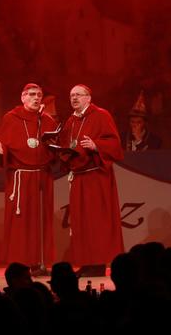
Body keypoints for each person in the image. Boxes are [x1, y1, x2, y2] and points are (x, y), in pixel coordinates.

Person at [0, 83, 57, 271]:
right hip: (20, 178)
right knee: (20, 223)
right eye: (32, 94)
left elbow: (56, 149)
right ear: (23, 97)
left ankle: (39, 261)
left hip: (42, 177)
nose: (36, 98)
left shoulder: (47, 120)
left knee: (40, 221)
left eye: (39, 95)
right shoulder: (11, 118)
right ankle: (20, 263)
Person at [59, 84, 124, 277]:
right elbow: (66, 144)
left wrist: (96, 146)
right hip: (78, 177)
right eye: (71, 95)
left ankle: (98, 263)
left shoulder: (101, 115)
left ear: (88, 97)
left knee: (96, 221)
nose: (74, 98)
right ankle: (86, 263)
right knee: (80, 222)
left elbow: (115, 144)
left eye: (78, 95)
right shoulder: (71, 121)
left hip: (96, 177)